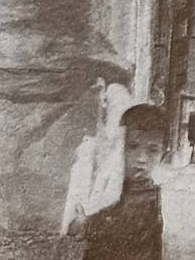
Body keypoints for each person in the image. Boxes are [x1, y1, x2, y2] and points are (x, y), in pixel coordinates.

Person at [70, 104, 166, 260]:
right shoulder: (110, 188)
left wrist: (87, 225)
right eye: (133, 147)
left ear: (163, 155)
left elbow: (121, 228)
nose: (141, 158)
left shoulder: (150, 197)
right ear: (120, 146)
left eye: (152, 150)